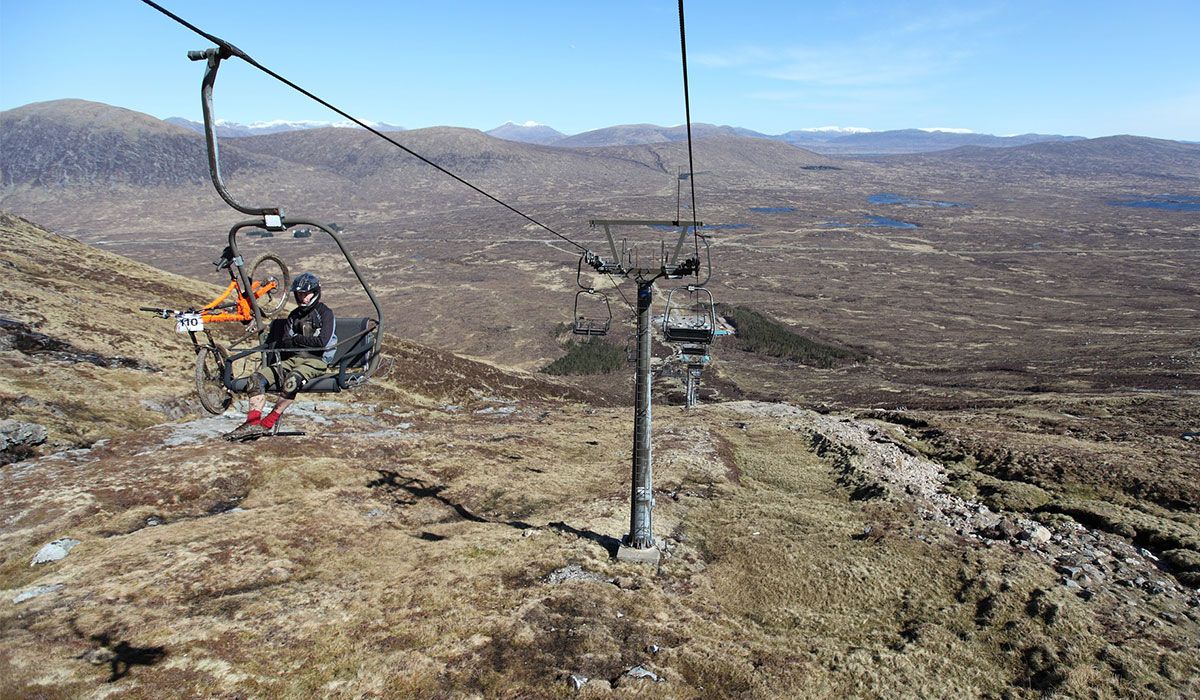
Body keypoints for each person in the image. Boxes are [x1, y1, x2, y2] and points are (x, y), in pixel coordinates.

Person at [224, 272, 336, 440]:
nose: (302, 298)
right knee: (256, 379)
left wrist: (297, 339)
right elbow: (286, 342)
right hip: (292, 359)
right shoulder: (294, 316)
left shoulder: (325, 313)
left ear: (315, 293)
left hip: (316, 360)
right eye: (299, 294)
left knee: (292, 381)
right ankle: (252, 423)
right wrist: (303, 341)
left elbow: (321, 342)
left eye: (306, 294)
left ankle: (267, 423)